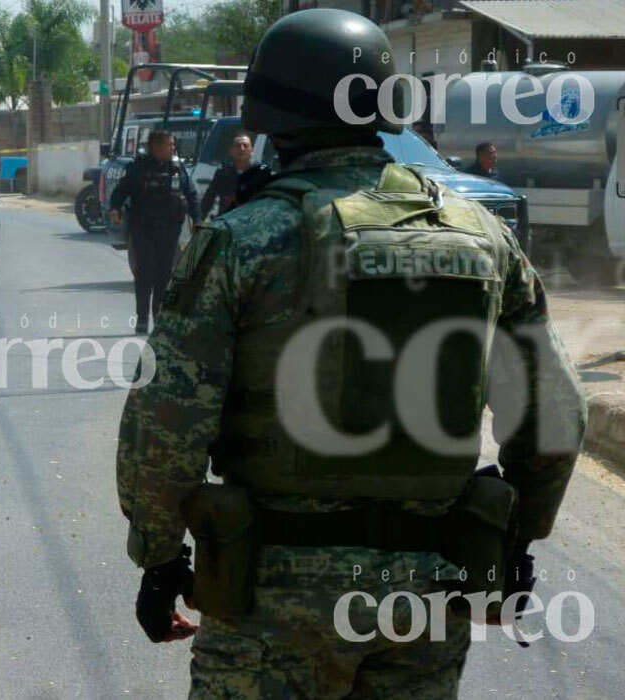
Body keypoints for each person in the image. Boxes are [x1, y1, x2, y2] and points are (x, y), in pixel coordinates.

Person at [116, 8, 586, 698]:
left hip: (271, 597)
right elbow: (552, 416)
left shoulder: (241, 241)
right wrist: (520, 541)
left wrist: (159, 560)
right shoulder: (482, 237)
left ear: (269, 110)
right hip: (425, 596)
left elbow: (165, 423)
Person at [107, 131, 199, 334]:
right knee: (145, 272)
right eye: (169, 145)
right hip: (143, 228)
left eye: (173, 145)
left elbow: (191, 195)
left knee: (164, 275)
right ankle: (142, 318)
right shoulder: (139, 168)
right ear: (155, 147)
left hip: (170, 229)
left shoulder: (177, 168)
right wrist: (115, 208)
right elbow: (121, 191)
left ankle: (159, 317)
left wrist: (197, 221)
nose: (173, 149)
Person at [200, 134, 253, 219]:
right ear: (231, 151)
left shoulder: (258, 174)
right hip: (227, 221)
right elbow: (208, 198)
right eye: (238, 146)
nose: (242, 149)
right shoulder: (223, 173)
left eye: (245, 146)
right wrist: (200, 219)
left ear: (251, 151)